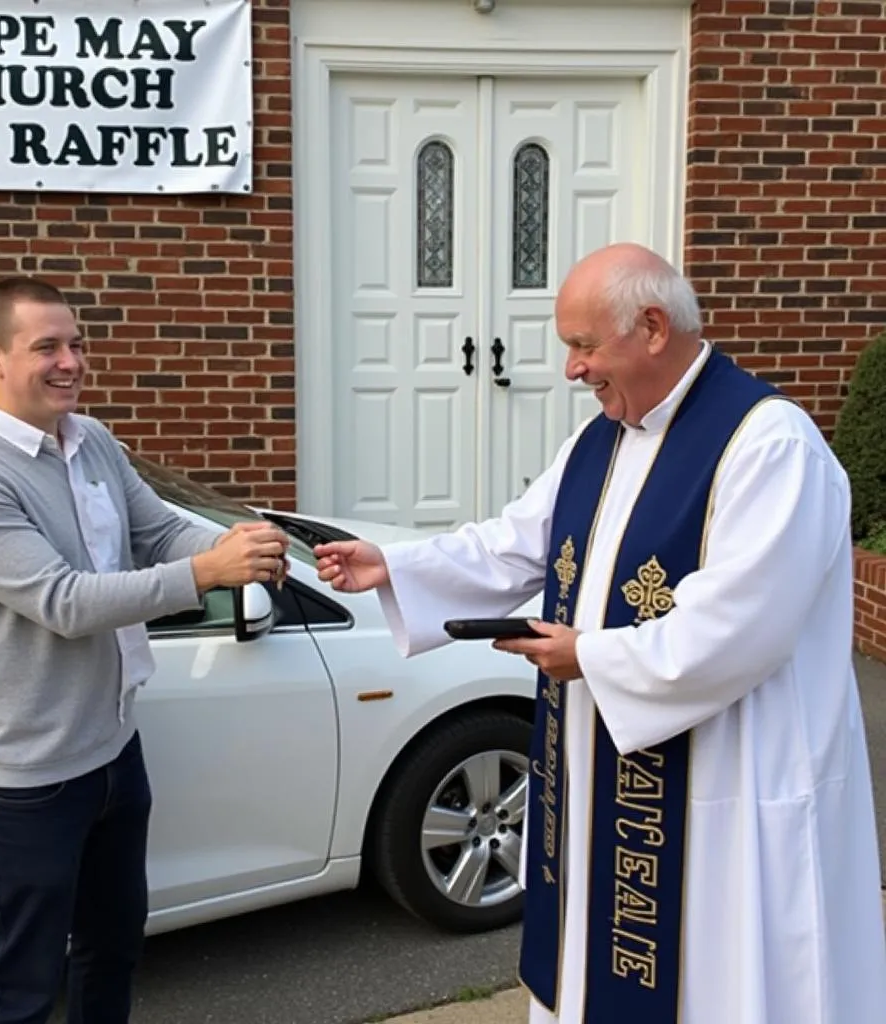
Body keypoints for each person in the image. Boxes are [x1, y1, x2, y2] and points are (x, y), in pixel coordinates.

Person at [315, 243, 886, 1024]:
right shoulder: (602, 440)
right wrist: (395, 566)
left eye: (584, 346)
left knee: (721, 978)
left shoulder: (767, 444)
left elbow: (743, 625)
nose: (572, 370)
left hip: (731, 781)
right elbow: (517, 542)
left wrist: (589, 655)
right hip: (602, 774)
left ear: (652, 327)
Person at [0, 277, 290, 1024]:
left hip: (113, 749)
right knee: (19, 982)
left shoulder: (91, 442)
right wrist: (205, 574)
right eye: (46, 347)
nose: (70, 361)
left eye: (77, 343)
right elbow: (64, 601)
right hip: (24, 778)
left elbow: (154, 530)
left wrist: (231, 542)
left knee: (111, 948)